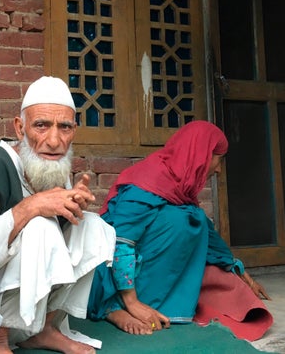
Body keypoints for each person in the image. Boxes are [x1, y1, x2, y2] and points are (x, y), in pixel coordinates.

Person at [0, 76, 116, 354]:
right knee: (39, 225)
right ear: (20, 128)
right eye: (41, 125)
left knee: (93, 226)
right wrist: (31, 207)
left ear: (74, 131)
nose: (54, 140)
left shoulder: (53, 165)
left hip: (24, 308)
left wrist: (71, 211)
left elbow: (59, 240)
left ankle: (43, 328)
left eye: (64, 127)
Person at [87, 120, 273, 341]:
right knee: (177, 220)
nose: (219, 169)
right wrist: (132, 303)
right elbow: (121, 243)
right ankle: (114, 309)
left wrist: (244, 276)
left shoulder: (180, 189)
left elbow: (211, 240)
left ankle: (155, 303)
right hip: (110, 273)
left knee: (194, 222)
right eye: (218, 159)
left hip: (144, 275)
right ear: (201, 154)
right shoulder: (147, 180)